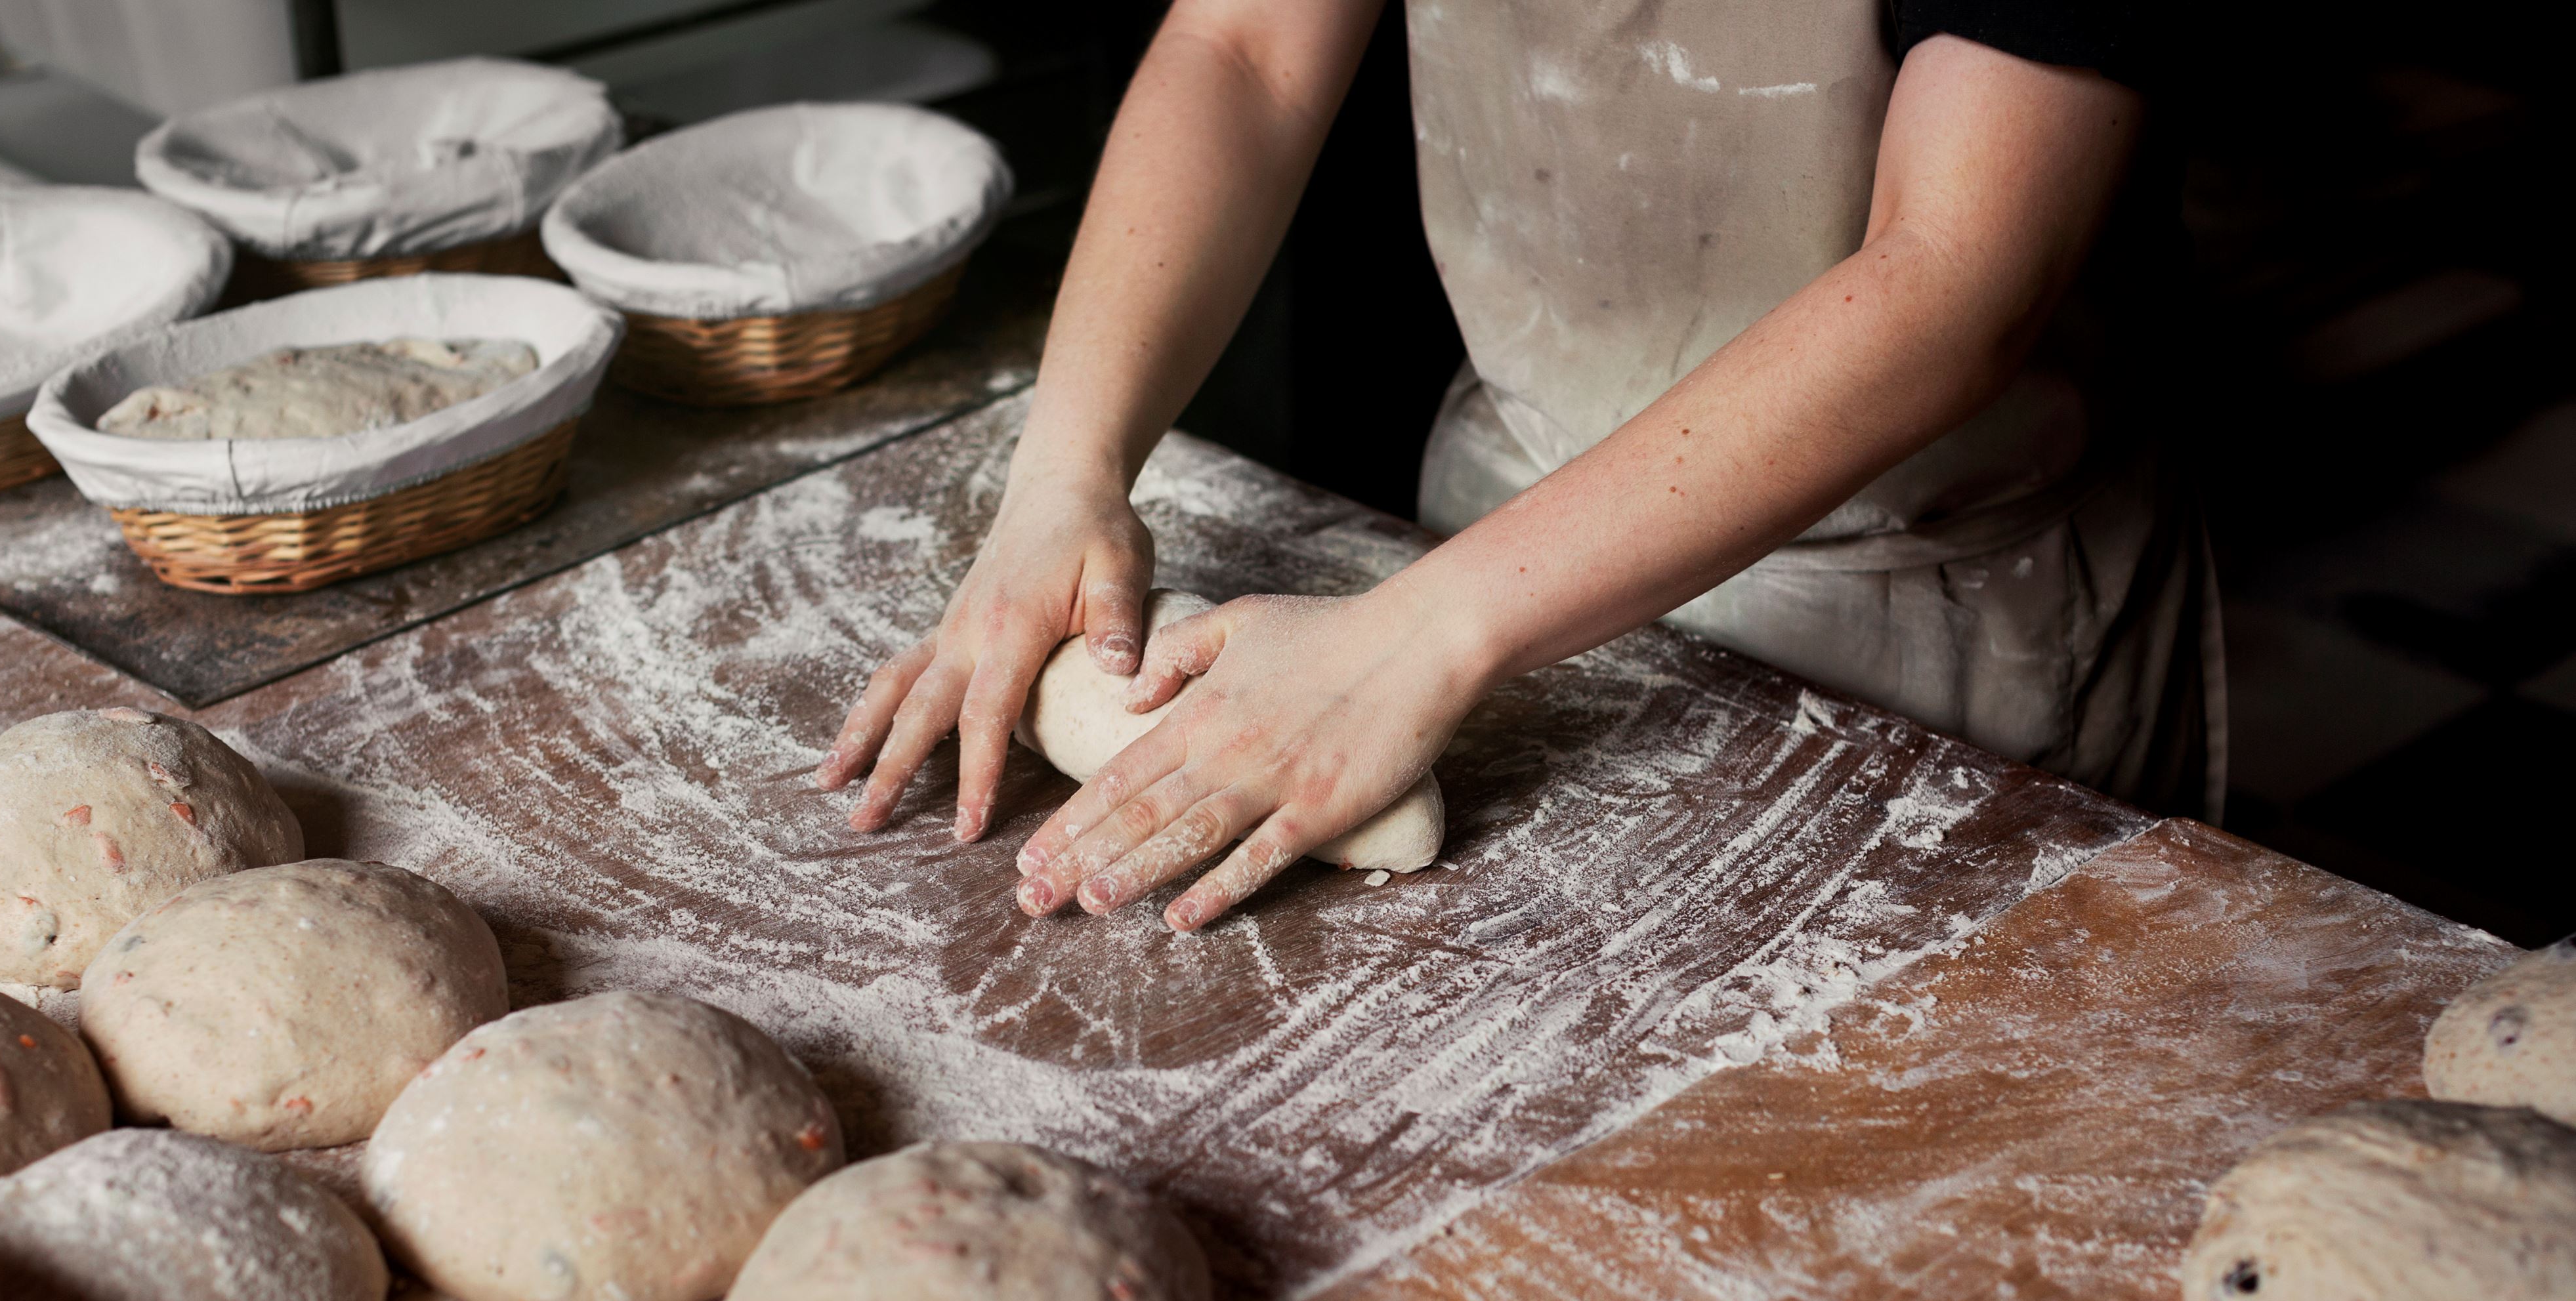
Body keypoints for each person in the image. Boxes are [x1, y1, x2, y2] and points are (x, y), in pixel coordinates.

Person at [817, 0, 2222, 932]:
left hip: (1940, 622)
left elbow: (1958, 275)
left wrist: (1422, 635)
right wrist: (1067, 463)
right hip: (1487, 540)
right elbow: (1245, 45)